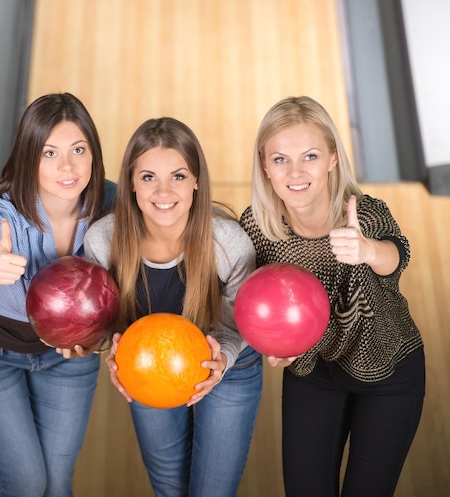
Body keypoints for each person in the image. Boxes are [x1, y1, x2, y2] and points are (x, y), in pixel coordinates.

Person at [239, 95, 425, 497]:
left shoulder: (363, 214)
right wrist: (277, 346)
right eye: (280, 159)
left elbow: (397, 255)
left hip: (388, 369)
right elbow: (257, 306)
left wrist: (368, 250)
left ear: (333, 159)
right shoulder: (259, 227)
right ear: (264, 166)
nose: (295, 172)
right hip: (314, 371)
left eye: (309, 156)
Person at [0, 92, 116, 497]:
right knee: (24, 486)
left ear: (94, 154)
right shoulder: (2, 213)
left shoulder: (112, 203)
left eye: (78, 150)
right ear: (28, 159)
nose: (67, 167)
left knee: (55, 488)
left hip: (66, 359)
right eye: (49, 153)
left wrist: (96, 339)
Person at [84, 117, 263, 497]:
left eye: (178, 176)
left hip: (229, 365)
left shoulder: (228, 243)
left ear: (197, 180)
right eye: (148, 177)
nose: (163, 191)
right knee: (169, 490)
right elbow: (108, 320)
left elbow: (238, 322)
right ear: (130, 183)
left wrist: (222, 361)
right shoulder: (103, 239)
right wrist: (113, 351)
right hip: (151, 365)